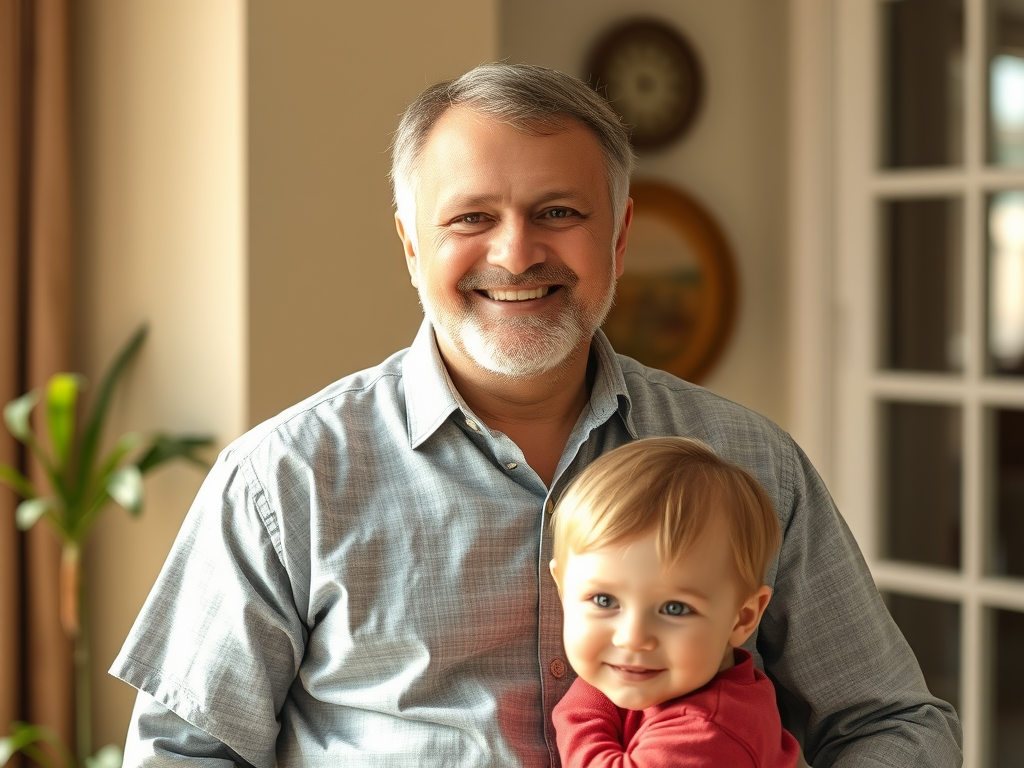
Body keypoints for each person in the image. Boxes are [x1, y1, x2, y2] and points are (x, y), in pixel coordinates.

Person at [111, 62, 962, 767]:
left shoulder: (751, 459)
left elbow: (891, 726)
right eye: (472, 218)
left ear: (619, 238)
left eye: (559, 213)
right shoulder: (282, 479)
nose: (516, 253)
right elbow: (184, 753)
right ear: (412, 244)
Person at [548, 436, 799, 767]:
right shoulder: (681, 692)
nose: (633, 637)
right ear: (563, 593)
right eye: (604, 600)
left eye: (675, 608)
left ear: (742, 618)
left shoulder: (710, 731)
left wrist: (582, 707)